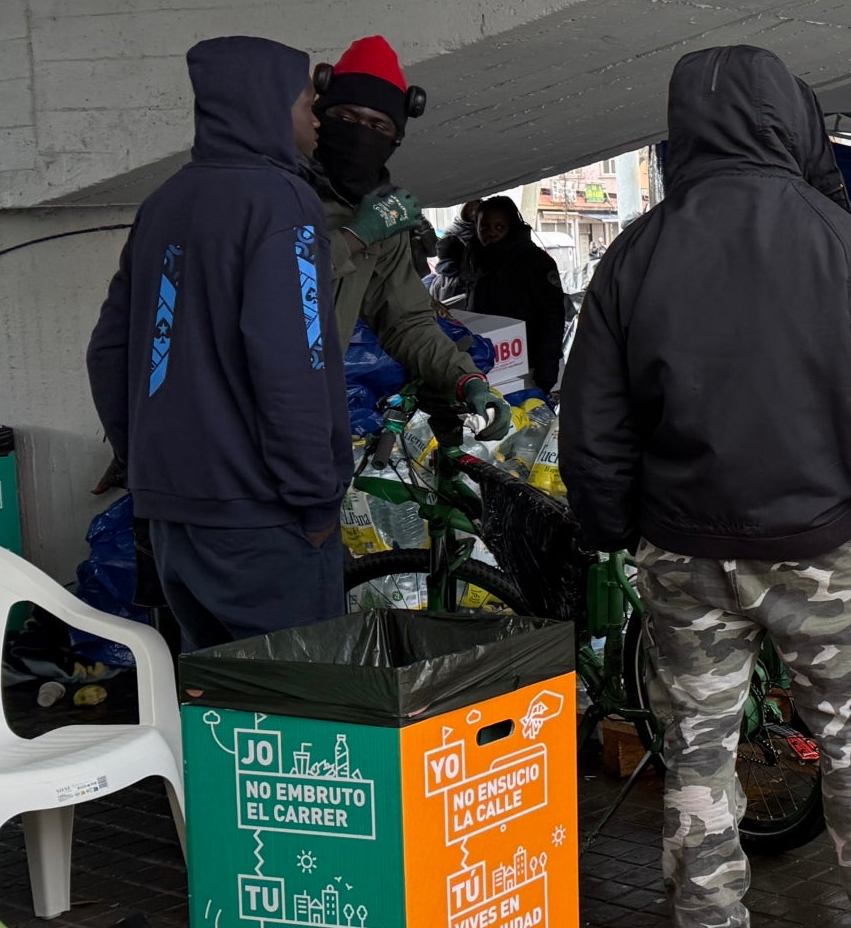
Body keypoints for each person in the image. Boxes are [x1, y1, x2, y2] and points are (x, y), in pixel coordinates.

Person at [563, 44, 851, 928]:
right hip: (824, 546)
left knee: (697, 750)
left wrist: (610, 525)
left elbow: (593, 422)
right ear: (791, 122)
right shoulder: (838, 241)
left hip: (683, 551)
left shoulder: (637, 253)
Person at [86, 38, 352, 650]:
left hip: (174, 523)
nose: (316, 117)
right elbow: (292, 365)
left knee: (217, 724)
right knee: (296, 726)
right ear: (266, 106)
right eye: (306, 101)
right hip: (265, 524)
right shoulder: (282, 203)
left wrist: (148, 469)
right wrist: (315, 504)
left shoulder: (163, 204)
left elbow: (109, 352)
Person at [307, 37, 510, 443]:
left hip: (310, 408)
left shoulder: (386, 217)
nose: (360, 134)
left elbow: (405, 320)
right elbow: (269, 281)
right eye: (347, 117)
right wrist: (354, 237)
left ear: (394, 140)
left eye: (377, 125)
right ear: (319, 117)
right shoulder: (280, 195)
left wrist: (464, 376)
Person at [462, 197, 570, 393]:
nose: (491, 233)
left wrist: (547, 369)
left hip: (532, 366)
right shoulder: (476, 258)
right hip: (492, 363)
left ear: (511, 226)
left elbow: (552, 316)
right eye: (484, 226)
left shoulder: (535, 261)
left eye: (499, 227)